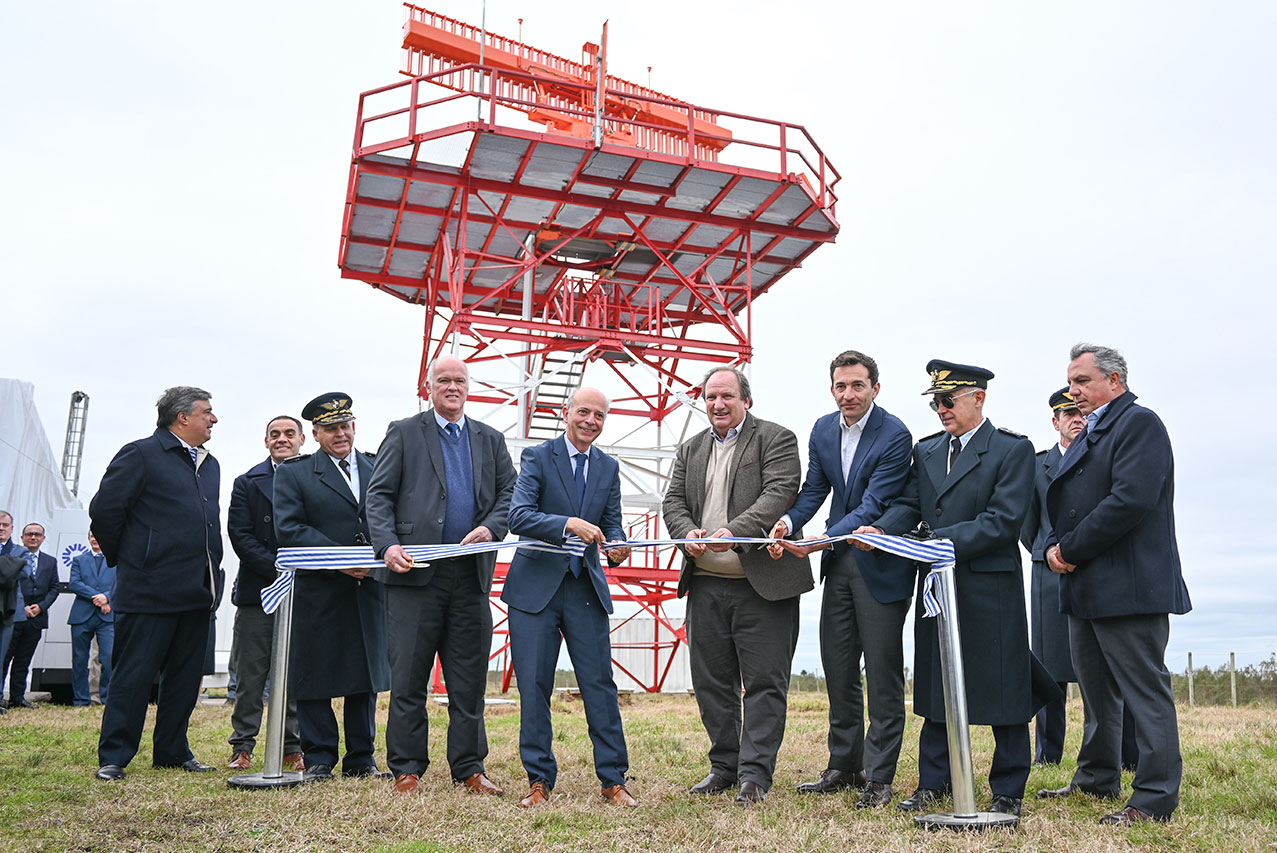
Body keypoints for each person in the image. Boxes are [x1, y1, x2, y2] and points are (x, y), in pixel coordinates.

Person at [861, 360, 1037, 818]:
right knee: (937, 688)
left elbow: (1003, 520)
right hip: (938, 584)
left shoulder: (1011, 450)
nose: (940, 409)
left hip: (989, 585)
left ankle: (1008, 791)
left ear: (979, 398)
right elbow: (908, 503)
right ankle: (933, 783)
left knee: (1005, 688)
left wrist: (939, 541)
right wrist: (881, 529)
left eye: (948, 400)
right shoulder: (927, 452)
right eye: (935, 401)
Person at [1037, 344, 1191, 826]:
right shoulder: (1093, 430)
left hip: (1128, 587)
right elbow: (1064, 501)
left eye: (1082, 381)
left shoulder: (1139, 424)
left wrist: (1070, 549)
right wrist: (1052, 548)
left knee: (1145, 692)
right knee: (1097, 694)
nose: (1073, 390)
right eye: (1070, 381)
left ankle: (1153, 798)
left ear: (1115, 380)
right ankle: (1097, 778)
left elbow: (1130, 501)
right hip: (1085, 587)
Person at [769, 350, 914, 808]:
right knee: (838, 665)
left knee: (883, 673)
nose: (847, 394)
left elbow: (873, 503)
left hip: (879, 565)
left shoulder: (895, 434)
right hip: (839, 566)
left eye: (857, 385)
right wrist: (789, 524)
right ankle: (844, 765)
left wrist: (819, 540)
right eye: (840, 386)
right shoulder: (822, 429)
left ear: (875, 387)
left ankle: (879, 775)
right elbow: (815, 488)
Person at [366, 356, 517, 796]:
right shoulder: (405, 431)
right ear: (428, 387)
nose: (453, 387)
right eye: (444, 380)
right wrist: (387, 545)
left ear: (469, 387)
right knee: (409, 678)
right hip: (414, 576)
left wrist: (491, 528)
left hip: (469, 578)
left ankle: (470, 768)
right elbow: (378, 495)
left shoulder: (490, 439)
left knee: (468, 682)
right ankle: (407, 769)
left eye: (460, 380)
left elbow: (510, 492)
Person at [662, 367, 812, 806]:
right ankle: (724, 767)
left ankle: (755, 776)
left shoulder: (776, 438)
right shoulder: (689, 449)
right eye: (710, 397)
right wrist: (686, 532)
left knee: (765, 682)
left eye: (727, 395)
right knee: (711, 682)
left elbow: (780, 492)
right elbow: (671, 501)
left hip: (761, 585)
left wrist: (735, 531)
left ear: (746, 399)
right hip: (705, 582)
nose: (718, 404)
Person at [504, 387, 636, 809]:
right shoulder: (537, 457)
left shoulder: (607, 467)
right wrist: (569, 524)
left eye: (599, 415)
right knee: (535, 686)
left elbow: (612, 524)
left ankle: (613, 780)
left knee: (600, 686)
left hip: (584, 590)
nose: (591, 421)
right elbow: (518, 515)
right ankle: (539, 781)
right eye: (584, 412)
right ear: (566, 413)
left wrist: (617, 545)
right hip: (535, 592)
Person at [89, 386, 223, 780]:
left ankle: (172, 750)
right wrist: (134, 560)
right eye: (207, 412)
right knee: (133, 675)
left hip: (197, 591)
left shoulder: (209, 464)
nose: (213, 419)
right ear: (182, 417)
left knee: (184, 679)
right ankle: (115, 755)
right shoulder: (141, 453)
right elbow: (105, 511)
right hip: (147, 590)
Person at [273, 393, 390, 782]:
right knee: (314, 674)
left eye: (345, 426)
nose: (340, 434)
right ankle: (319, 757)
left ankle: (362, 758)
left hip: (369, 589)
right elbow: (290, 529)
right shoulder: (294, 473)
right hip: (320, 589)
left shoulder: (378, 467)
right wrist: (342, 561)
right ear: (316, 434)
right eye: (330, 428)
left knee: (365, 676)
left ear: (354, 427)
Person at [225, 415, 307, 772]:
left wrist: (302, 568)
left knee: (294, 674)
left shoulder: (317, 479)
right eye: (275, 434)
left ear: (303, 439)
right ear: (266, 441)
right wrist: (279, 567)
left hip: (304, 590)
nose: (282, 439)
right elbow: (240, 535)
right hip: (259, 590)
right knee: (251, 674)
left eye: (289, 433)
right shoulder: (247, 483)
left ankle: (292, 746)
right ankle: (242, 746)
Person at [1020, 388, 1084, 764]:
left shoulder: (1101, 457)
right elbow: (1027, 524)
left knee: (1102, 669)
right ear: (1055, 421)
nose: (1077, 418)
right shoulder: (1038, 465)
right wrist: (1046, 551)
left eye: (1082, 413)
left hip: (1093, 572)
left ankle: (1119, 754)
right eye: (1069, 413)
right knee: (1048, 668)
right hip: (1048, 576)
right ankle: (1048, 754)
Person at [2, 523, 59, 709]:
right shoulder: (11, 557)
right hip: (14, 615)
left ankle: (18, 698)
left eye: (37, 534)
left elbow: (54, 588)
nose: (33, 537)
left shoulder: (50, 561)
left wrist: (41, 607)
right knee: (4, 659)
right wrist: (23, 607)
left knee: (23, 661)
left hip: (36, 619)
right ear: (22, 537)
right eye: (29, 534)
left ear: (43, 538)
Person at [67, 532, 116, 707]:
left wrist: (108, 597)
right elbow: (74, 583)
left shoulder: (116, 560)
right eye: (92, 536)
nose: (95, 539)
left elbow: (122, 583)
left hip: (107, 616)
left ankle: (106, 698)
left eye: (98, 536)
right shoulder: (79, 560)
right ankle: (80, 699)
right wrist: (98, 597)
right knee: (79, 659)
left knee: (109, 658)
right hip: (82, 616)